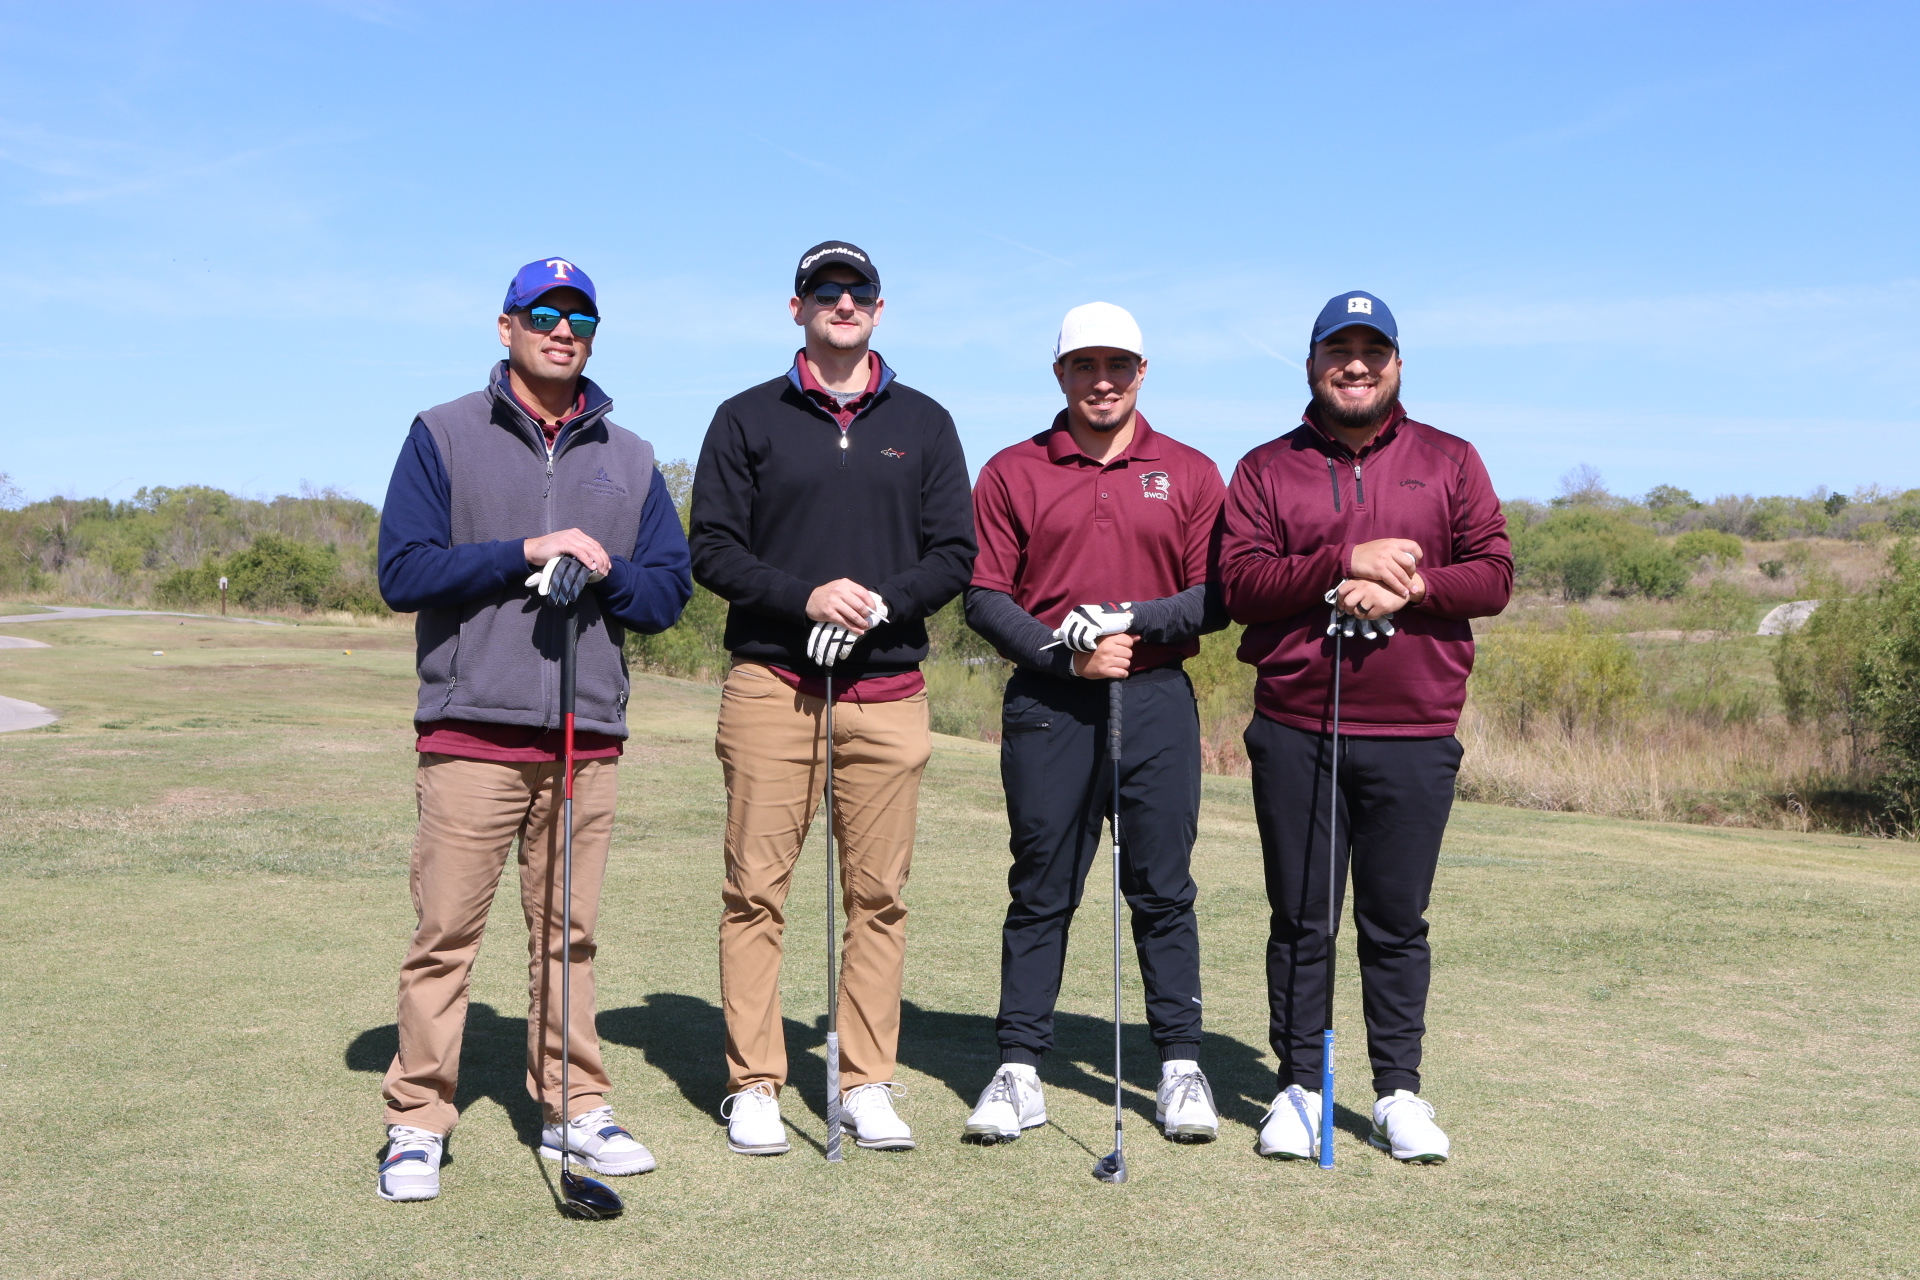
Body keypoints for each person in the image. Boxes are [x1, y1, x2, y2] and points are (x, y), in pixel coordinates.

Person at [371, 257, 693, 1202]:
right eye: (543, 315)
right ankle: (418, 1118)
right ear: (505, 326)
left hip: (584, 736)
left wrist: (604, 573)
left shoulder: (629, 454)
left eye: (579, 319)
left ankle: (572, 1106)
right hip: (471, 730)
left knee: (569, 938)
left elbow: (666, 593)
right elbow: (403, 572)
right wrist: (525, 551)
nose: (562, 331)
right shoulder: (442, 432)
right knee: (445, 937)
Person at [689, 241, 974, 1155]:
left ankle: (865, 1082)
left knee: (878, 898)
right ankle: (755, 1085)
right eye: (825, 291)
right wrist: (804, 597)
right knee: (754, 894)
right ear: (797, 307)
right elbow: (712, 549)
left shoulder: (925, 422)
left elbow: (954, 555)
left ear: (879, 310)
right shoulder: (746, 417)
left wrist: (882, 602)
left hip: (888, 691)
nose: (842, 303)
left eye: (858, 292)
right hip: (775, 684)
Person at [1218, 291, 1511, 1163]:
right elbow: (1240, 585)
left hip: (1415, 731)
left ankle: (1397, 1093)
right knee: (1301, 920)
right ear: (1311, 364)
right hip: (1298, 726)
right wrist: (1342, 562)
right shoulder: (1266, 468)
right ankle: (1299, 1088)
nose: (1356, 366)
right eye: (1338, 351)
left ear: (1397, 364)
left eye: (1372, 351)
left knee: (1396, 922)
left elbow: (1493, 575)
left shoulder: (1451, 459)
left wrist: (1408, 587)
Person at [961, 302, 1228, 1145]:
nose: (1101, 381)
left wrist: (1133, 619)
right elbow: (984, 595)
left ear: (1142, 372)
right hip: (1050, 704)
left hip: (1154, 700)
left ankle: (1180, 1066)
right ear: (1060, 373)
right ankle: (1019, 1069)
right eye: (1084, 365)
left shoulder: (1189, 471)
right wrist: (1061, 653)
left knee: (1163, 889)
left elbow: (1216, 596)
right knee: (1041, 888)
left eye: (1117, 365)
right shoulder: (1013, 470)